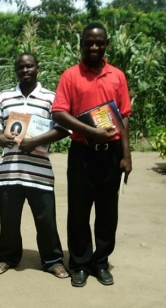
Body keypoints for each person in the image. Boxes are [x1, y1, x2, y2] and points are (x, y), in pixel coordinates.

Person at [52, 22, 132, 287]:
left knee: (108, 212)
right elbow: (59, 112)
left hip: (110, 155)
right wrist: (91, 131)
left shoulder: (117, 76)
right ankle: (80, 264)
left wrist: (126, 154)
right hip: (82, 153)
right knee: (78, 211)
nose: (94, 47)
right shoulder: (71, 75)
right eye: (89, 42)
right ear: (82, 44)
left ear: (106, 44)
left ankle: (100, 262)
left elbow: (124, 117)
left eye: (99, 42)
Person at [0, 53, 69, 278]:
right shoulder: (5, 97)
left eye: (30, 66)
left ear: (37, 68)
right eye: (21, 67)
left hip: (39, 172)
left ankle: (53, 260)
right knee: (8, 220)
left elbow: (64, 128)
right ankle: (7, 257)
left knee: (46, 220)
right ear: (16, 70)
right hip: (9, 172)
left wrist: (36, 140)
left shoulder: (50, 98)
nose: (25, 71)